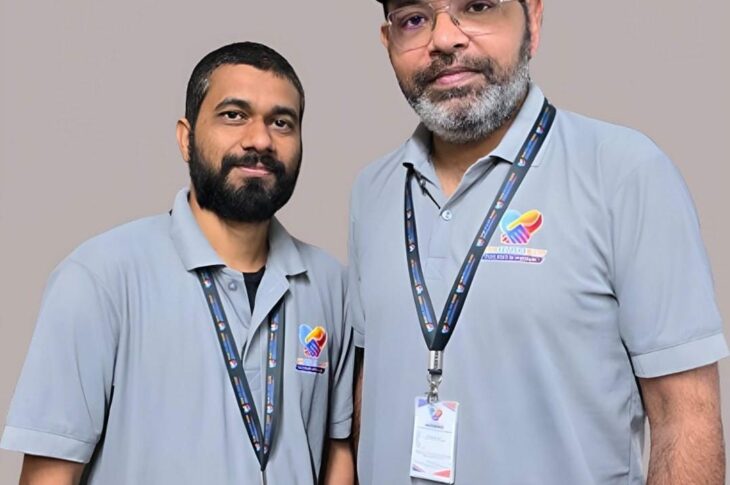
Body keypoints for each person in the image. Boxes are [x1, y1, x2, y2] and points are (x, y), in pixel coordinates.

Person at [348, 1, 727, 484]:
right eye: (414, 19)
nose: (443, 38)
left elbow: (686, 419)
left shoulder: (625, 173)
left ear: (533, 19)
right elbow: (371, 388)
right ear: (388, 42)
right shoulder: (373, 192)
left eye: (477, 6)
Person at [1, 42, 354, 485]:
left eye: (281, 122)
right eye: (234, 115)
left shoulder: (331, 286)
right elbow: (49, 476)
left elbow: (338, 453)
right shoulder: (100, 278)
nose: (261, 140)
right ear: (186, 139)